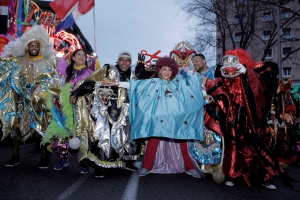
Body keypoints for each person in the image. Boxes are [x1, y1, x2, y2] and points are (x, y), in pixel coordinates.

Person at [102, 56, 205, 178]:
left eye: (169, 70)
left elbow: (193, 89)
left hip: (176, 119)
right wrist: (116, 83)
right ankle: (146, 167)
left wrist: (194, 79)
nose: (167, 72)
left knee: (183, 140)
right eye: (164, 69)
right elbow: (135, 85)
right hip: (158, 119)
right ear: (159, 70)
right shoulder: (153, 82)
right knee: (153, 141)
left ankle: (190, 167)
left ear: (173, 71)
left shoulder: (178, 82)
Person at [70, 51, 143, 178]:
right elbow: (90, 83)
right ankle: (99, 165)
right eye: (122, 60)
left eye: (127, 60)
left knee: (126, 138)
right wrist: (76, 93)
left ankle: (127, 161)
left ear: (130, 62)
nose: (124, 63)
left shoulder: (134, 74)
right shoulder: (108, 70)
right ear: (118, 60)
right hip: (107, 110)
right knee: (104, 138)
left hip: (127, 111)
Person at [0, 25, 58, 169]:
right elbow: (12, 76)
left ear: (40, 47)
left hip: (38, 101)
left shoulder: (46, 61)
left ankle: (44, 156)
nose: (33, 47)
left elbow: (50, 80)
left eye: (36, 45)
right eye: (31, 45)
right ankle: (15, 155)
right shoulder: (19, 60)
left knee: (42, 128)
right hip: (21, 101)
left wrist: (39, 94)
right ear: (27, 46)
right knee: (15, 127)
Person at [42, 49, 96, 173]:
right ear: (73, 58)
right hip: (66, 107)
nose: (82, 57)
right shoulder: (66, 72)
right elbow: (59, 87)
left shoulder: (89, 72)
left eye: (83, 55)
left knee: (82, 134)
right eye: (79, 55)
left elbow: (91, 89)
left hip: (83, 108)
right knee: (64, 133)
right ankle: (63, 158)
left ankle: (83, 161)